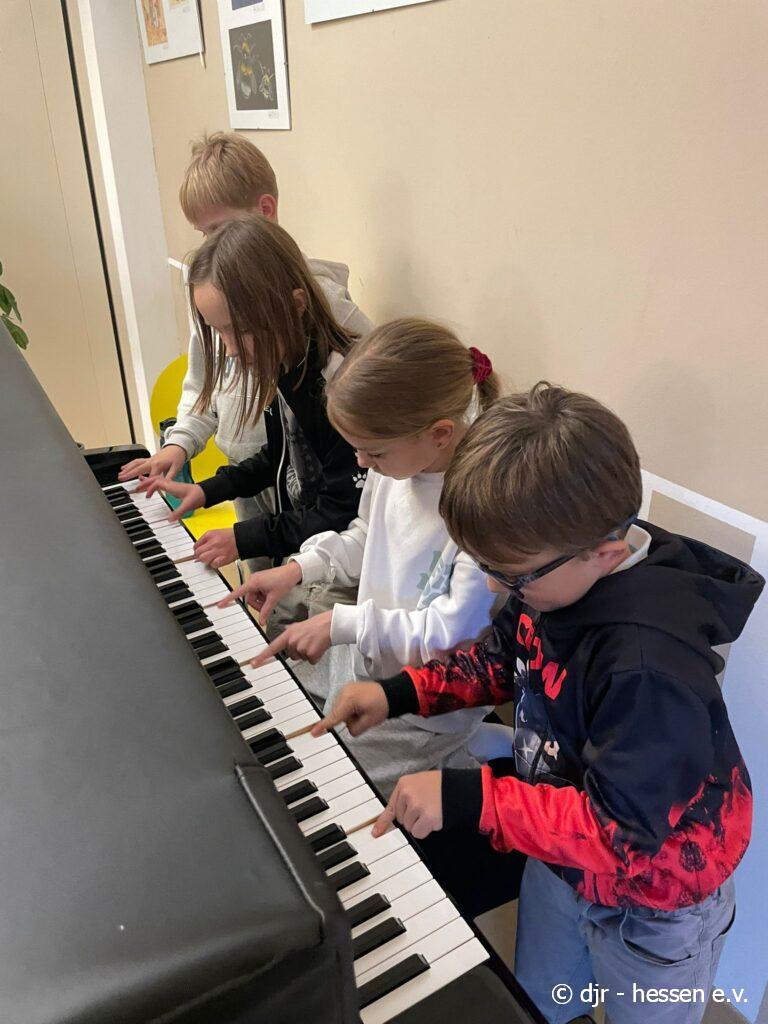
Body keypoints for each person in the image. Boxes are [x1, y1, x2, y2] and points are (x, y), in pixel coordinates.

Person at [315, 383, 763, 1024]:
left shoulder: (648, 669)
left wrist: (470, 799)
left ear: (605, 554)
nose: (495, 584)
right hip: (560, 854)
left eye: (510, 574)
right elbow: (503, 659)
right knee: (544, 998)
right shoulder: (549, 585)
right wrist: (399, 693)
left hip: (657, 904)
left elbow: (621, 832)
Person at [219, 318, 502, 796]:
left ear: (439, 433)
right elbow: (365, 535)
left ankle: (469, 752)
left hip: (425, 702)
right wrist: (297, 569)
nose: (361, 464)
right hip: (371, 656)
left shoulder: (481, 510)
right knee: (280, 719)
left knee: (328, 788)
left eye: (373, 453)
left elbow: (448, 636)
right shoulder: (393, 467)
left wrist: (342, 624)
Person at [119, 131, 371, 573]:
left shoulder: (326, 363)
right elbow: (271, 444)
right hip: (271, 492)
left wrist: (249, 539)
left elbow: (342, 507)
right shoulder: (253, 334)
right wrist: (195, 467)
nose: (231, 351)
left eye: (219, 230)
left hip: (327, 528)